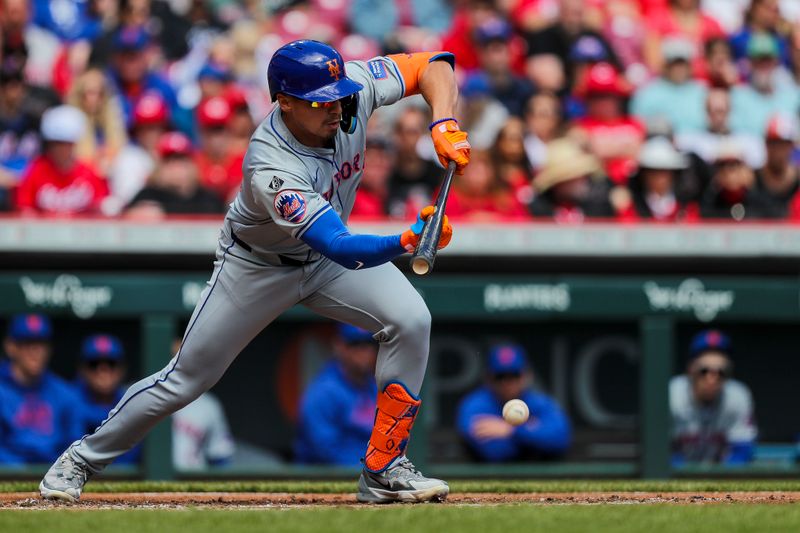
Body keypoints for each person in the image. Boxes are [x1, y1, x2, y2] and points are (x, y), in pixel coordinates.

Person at [40, 39, 470, 504]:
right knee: (186, 379)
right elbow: (341, 246)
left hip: (323, 262)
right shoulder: (271, 161)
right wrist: (405, 242)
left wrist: (442, 118)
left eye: (339, 93)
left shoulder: (352, 90)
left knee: (411, 320)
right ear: (285, 102)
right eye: (321, 100)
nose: (336, 106)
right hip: (257, 267)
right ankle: (79, 459)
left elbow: (435, 65)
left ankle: (385, 468)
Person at [457, 343, 571, 462]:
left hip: (543, 479)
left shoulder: (540, 402)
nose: (507, 383)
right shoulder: (475, 404)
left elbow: (560, 440)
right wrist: (533, 430)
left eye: (514, 375)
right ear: (488, 378)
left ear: (526, 375)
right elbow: (496, 452)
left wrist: (511, 431)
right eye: (500, 376)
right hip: (491, 477)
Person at [0, 314, 82, 464]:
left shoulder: (65, 394)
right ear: (10, 347)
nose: (35, 351)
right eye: (27, 342)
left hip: (54, 476)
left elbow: (75, 446)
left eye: (41, 343)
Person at [295, 324, 379, 466]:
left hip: (368, 471)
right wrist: (373, 466)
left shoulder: (375, 387)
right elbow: (325, 450)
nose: (364, 351)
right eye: (355, 343)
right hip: (323, 476)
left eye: (369, 343)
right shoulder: (324, 391)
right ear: (339, 345)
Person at [670, 330, 757, 466]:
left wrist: (719, 480)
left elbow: (741, 450)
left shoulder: (737, 397)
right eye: (704, 371)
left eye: (720, 372)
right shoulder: (672, 395)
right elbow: (660, 451)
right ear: (690, 369)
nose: (712, 378)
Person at [15, 105, 109, 215]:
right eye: (54, 143)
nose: (59, 148)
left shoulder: (89, 173)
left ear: (74, 143)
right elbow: (25, 210)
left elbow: (100, 211)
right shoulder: (35, 171)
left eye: (65, 143)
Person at [74, 334, 139, 465]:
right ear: (82, 369)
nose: (103, 370)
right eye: (94, 364)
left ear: (122, 369)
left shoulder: (132, 402)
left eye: (111, 363)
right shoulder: (69, 400)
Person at [125, 131, 225, 217]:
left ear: (192, 165)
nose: (176, 167)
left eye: (181, 160)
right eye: (169, 160)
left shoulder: (209, 200)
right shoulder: (147, 196)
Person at [631, 37, 707, 135]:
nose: (679, 69)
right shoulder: (647, 93)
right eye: (674, 64)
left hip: (701, 140)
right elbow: (638, 125)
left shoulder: (702, 91)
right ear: (665, 65)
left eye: (682, 64)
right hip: (662, 142)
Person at [754, 114, 800, 218]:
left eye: (783, 144)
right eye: (774, 143)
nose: (778, 150)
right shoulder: (752, 180)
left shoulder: (797, 182)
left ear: (792, 146)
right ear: (766, 144)